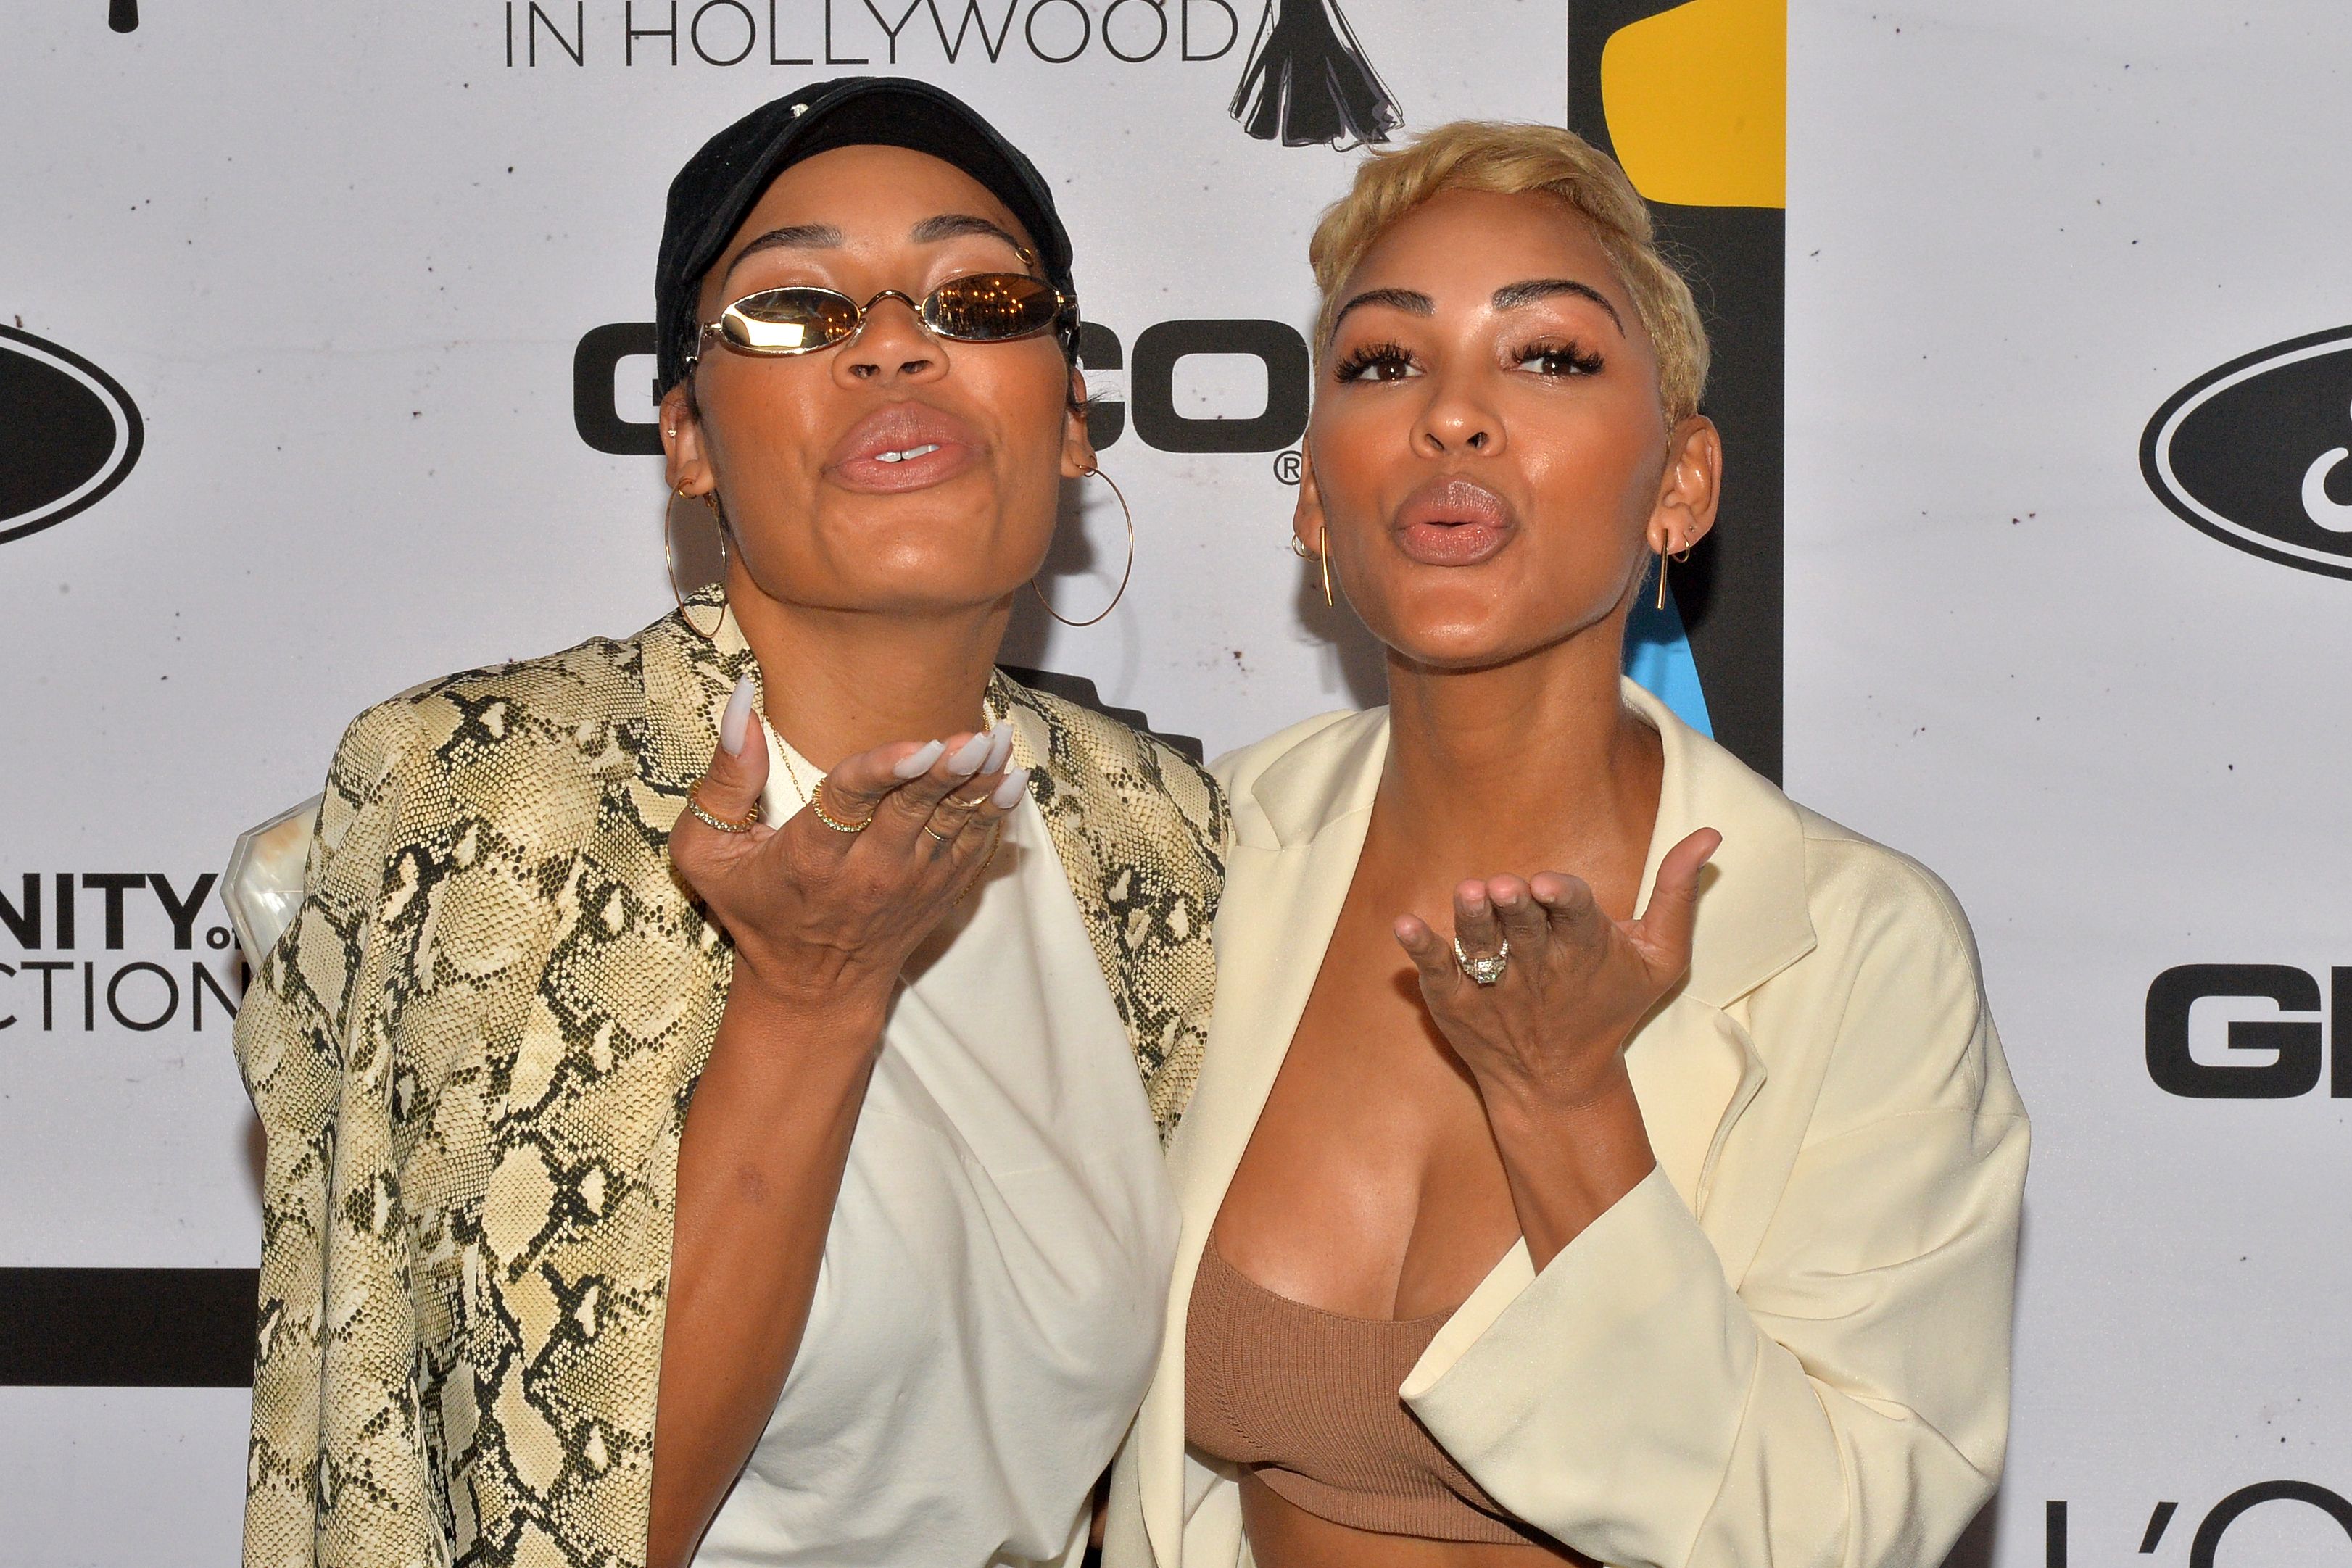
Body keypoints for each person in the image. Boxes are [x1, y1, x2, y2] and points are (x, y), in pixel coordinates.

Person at [230, 78, 1223, 1568]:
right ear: (686, 439)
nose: (895, 338)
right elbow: (545, 1518)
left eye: (980, 295)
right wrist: (812, 990)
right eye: (793, 311)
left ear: (1069, 416)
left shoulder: (1149, 833)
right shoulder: (494, 792)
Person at [1104, 121, 2028, 1568]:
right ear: (1310, 497)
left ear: (1681, 484)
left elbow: (1839, 1534)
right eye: (1380, 363)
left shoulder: (1854, 942)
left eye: (1546, 358)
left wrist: (1567, 1114)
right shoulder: (1188, 864)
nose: (1451, 417)